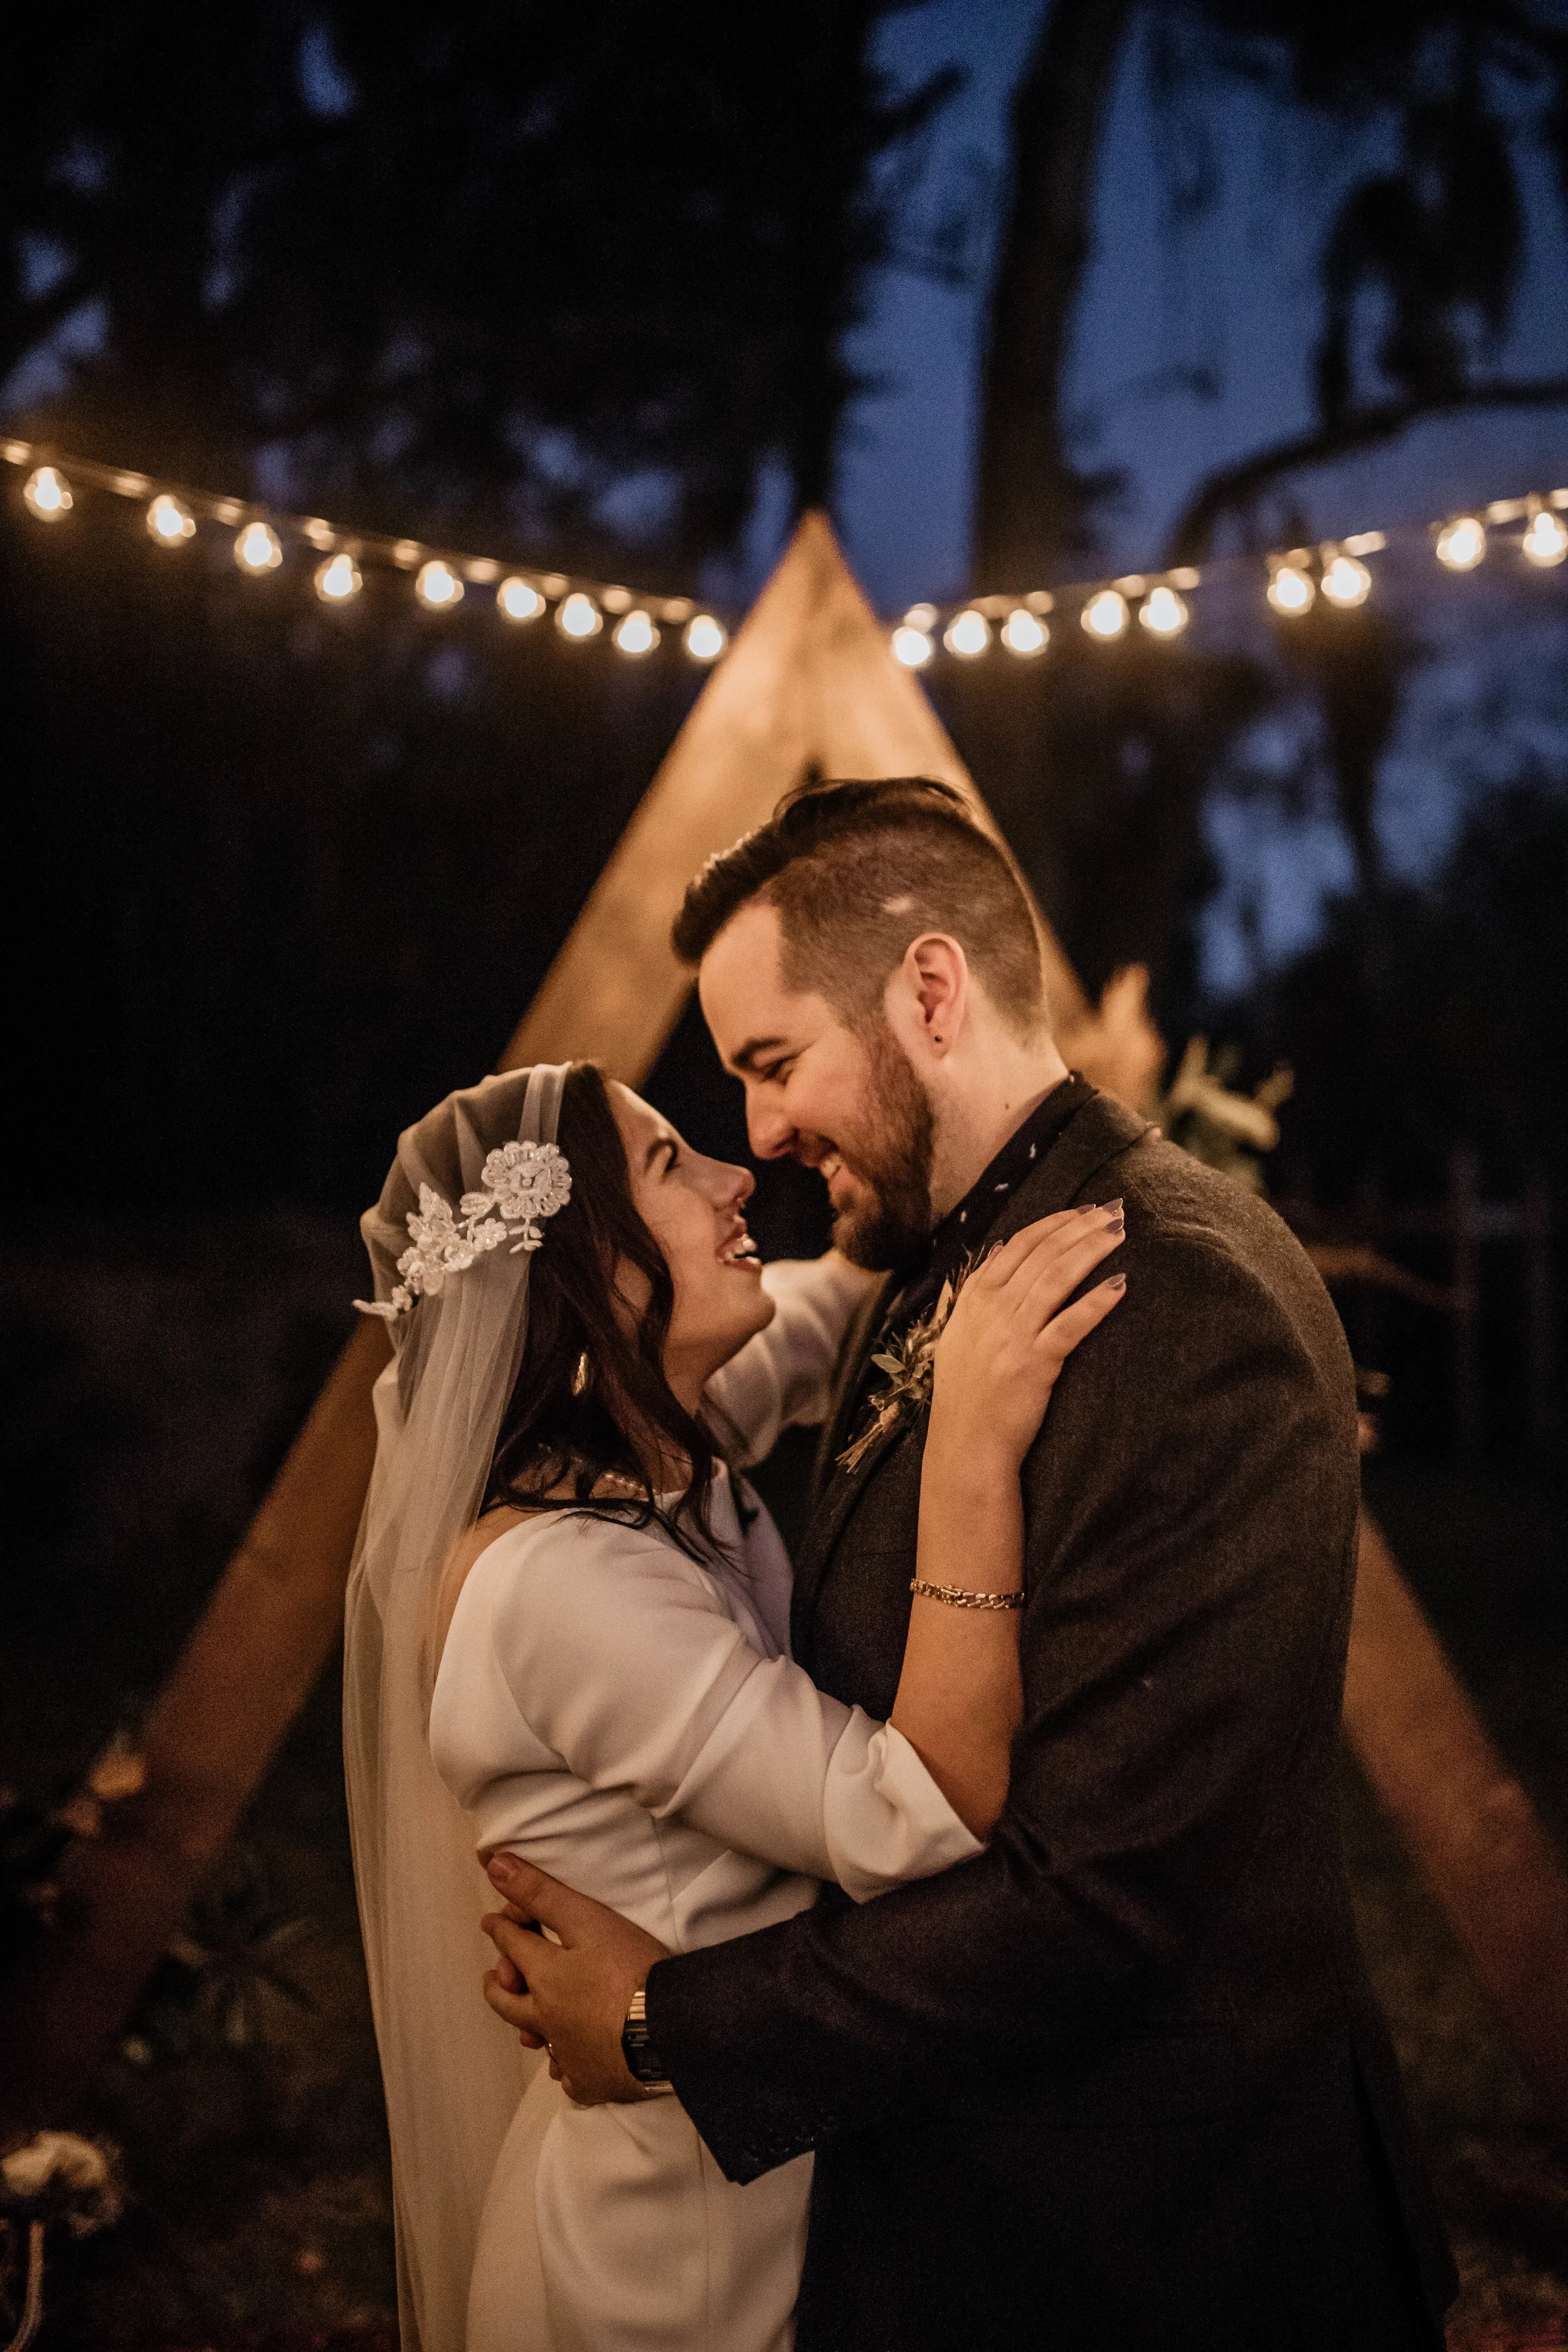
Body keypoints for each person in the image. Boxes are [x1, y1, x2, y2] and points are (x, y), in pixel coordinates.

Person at [480, 777, 1459, 2352]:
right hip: (990, 2225)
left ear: (928, 991)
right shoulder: (935, 1248)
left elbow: (1099, 1902)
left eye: (773, 1062)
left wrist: (666, 2022)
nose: (761, 1132)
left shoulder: (1168, 1300)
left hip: (1160, 2253)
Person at [344, 1051, 1124, 2352]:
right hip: (680, 2255)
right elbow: (914, 1817)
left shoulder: (650, 1449)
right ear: (590, 1274)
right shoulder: (561, 1587)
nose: (734, 1169)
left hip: (754, 2140)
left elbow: (826, 1314)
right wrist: (974, 1448)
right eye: (666, 1163)